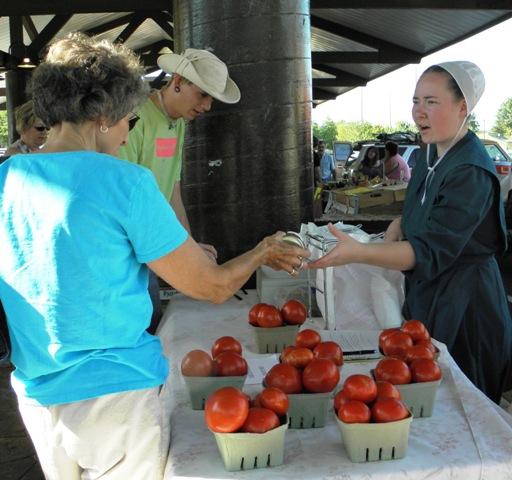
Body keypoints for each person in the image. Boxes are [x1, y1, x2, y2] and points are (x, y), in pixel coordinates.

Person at [0, 33, 309, 480]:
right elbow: (214, 286)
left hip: (36, 390)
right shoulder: (126, 182)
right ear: (103, 115)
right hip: (115, 396)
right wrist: (261, 252)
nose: (129, 132)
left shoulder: (8, 177)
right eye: (127, 118)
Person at [306, 61, 512, 404]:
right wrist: (401, 223)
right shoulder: (432, 152)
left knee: (456, 402)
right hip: (431, 292)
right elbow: (423, 211)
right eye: (416, 101)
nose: (419, 112)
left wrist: (358, 253)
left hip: (465, 306)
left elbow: (428, 250)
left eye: (432, 102)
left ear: (463, 108)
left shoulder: (471, 172)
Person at [118, 48, 240, 332]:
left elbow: (174, 191)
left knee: (155, 324)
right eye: (203, 95)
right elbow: (125, 199)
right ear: (177, 81)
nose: (207, 106)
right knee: (143, 326)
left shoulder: (179, 124)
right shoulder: (134, 119)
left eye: (212, 99)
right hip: (128, 247)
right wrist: (179, 250)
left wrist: (188, 246)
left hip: (151, 244)